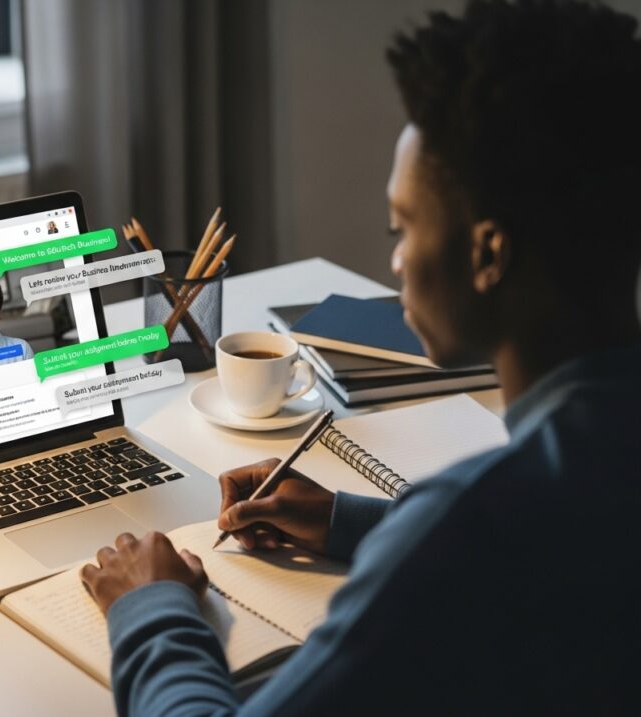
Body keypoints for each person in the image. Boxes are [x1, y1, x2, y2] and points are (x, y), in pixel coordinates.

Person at [80, 1, 641, 714]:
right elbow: (564, 538)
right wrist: (352, 522)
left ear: (488, 253)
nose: (395, 258)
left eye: (403, 226)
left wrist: (152, 609)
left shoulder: (464, 528)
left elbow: (491, 540)